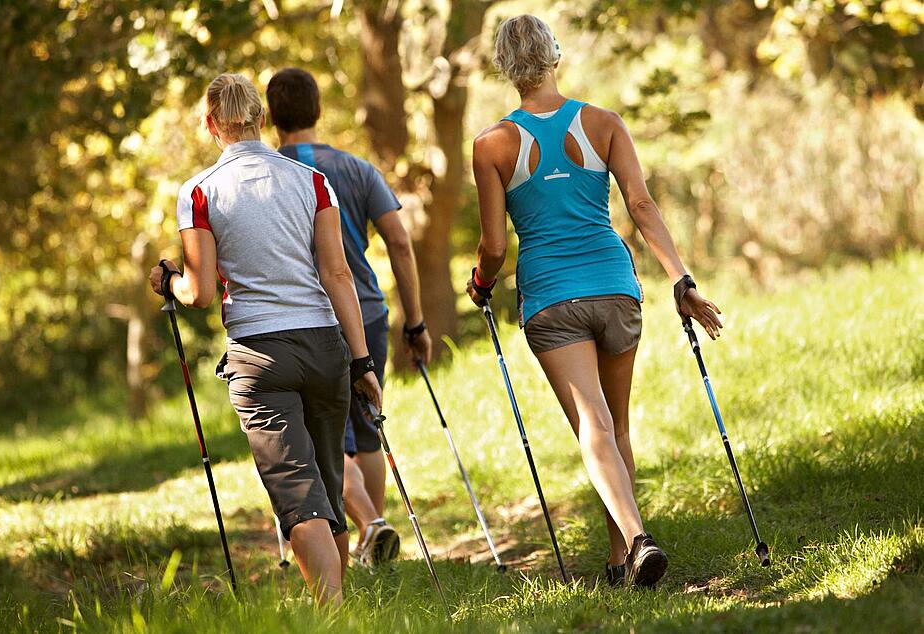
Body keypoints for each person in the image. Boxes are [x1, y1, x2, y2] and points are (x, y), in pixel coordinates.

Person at [466, 15, 724, 587]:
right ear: (554, 56)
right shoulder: (604, 123)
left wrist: (481, 284)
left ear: (505, 68)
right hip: (615, 287)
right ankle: (620, 562)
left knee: (593, 426)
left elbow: (493, 245)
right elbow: (642, 205)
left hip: (552, 299)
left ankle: (636, 540)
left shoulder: (491, 145)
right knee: (616, 427)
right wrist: (681, 280)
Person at [148, 73, 382, 606]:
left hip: (260, 352)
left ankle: (331, 613)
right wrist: (362, 360)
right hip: (326, 344)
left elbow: (201, 292)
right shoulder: (311, 180)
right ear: (258, 118)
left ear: (211, 124)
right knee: (326, 482)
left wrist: (170, 281)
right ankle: (340, 611)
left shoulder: (200, 191)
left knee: (299, 497)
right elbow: (338, 275)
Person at [266, 68, 432, 567]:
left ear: (272, 117)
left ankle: (370, 528)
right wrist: (416, 322)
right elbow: (399, 242)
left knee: (323, 435)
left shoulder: (267, 175)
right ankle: (373, 545)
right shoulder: (358, 169)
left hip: (306, 319)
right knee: (367, 429)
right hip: (367, 312)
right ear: (318, 110)